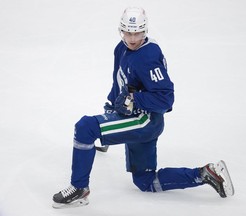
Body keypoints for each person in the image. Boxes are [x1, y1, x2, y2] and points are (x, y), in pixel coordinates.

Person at [52, 7, 234, 209]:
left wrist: (134, 99)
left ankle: (79, 189)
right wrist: (112, 108)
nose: (132, 38)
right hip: (134, 119)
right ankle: (205, 174)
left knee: (85, 127)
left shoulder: (148, 57)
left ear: (145, 30)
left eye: (137, 32)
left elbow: (166, 99)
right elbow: (119, 83)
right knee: (146, 182)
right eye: (128, 32)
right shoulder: (120, 48)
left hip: (145, 121)